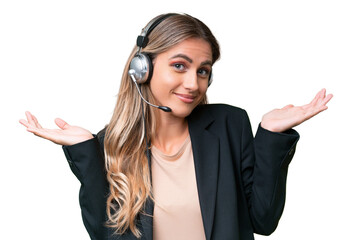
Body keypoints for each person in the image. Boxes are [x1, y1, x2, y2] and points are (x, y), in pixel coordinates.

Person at [19, 13, 333, 240]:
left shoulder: (229, 125)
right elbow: (108, 236)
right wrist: (85, 152)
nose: (193, 83)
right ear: (142, 69)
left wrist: (270, 136)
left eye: (203, 70)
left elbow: (262, 221)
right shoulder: (112, 144)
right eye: (179, 66)